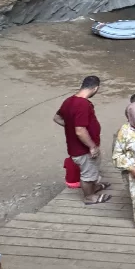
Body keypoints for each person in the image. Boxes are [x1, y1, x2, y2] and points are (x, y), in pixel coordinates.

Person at [53, 76, 111, 204]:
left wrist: (70, 126)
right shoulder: (83, 104)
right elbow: (80, 130)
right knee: (87, 174)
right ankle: (89, 197)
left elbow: (57, 118)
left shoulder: (69, 101)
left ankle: (94, 188)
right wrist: (92, 146)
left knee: (92, 169)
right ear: (95, 88)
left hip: (75, 146)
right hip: (83, 149)